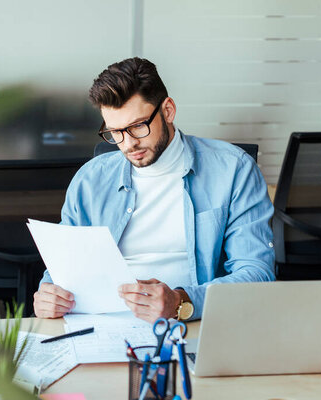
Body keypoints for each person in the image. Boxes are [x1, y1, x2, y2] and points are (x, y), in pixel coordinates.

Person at [33, 57, 275, 322]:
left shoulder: (233, 170)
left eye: (138, 126)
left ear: (168, 111)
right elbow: (65, 267)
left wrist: (181, 301)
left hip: (193, 323)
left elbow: (256, 272)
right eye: (115, 132)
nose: (128, 144)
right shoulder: (90, 180)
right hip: (102, 324)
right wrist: (49, 294)